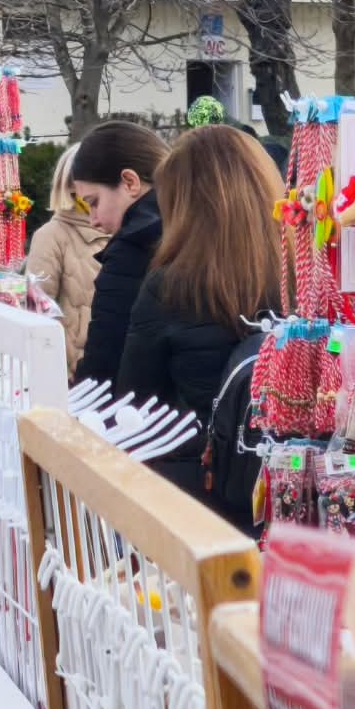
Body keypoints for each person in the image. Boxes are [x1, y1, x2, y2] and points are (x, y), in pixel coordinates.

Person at [114, 125, 283, 521]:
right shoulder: (302, 272)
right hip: (292, 484)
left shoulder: (171, 286)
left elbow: (134, 406)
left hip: (204, 493)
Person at [66, 120, 166, 386]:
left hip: (138, 407)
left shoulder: (131, 250)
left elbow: (103, 360)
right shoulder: (198, 226)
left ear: (130, 182)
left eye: (94, 202)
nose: (94, 220)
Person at [25, 149, 109, 376]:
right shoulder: (50, 236)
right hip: (75, 375)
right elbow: (38, 309)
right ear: (70, 185)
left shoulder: (126, 230)